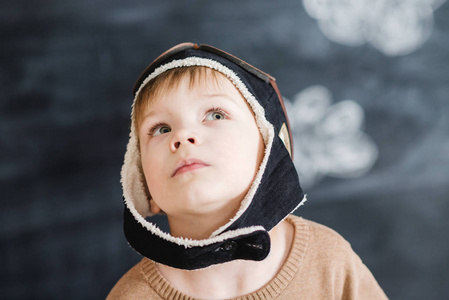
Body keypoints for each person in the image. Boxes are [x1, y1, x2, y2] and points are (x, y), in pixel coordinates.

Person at [107, 43, 388, 299]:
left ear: (270, 150)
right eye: (161, 129)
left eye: (215, 114)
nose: (182, 136)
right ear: (142, 184)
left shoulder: (329, 260)